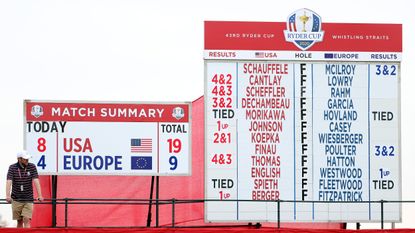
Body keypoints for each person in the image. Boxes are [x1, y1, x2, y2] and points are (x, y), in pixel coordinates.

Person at [5, 151, 43, 228]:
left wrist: (40, 195)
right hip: (16, 198)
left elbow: (36, 180)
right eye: (25, 159)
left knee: (26, 219)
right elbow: (9, 181)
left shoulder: (32, 166)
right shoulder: (12, 167)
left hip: (28, 198)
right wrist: (7, 195)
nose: (27, 160)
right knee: (19, 221)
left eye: (27, 159)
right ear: (19, 159)